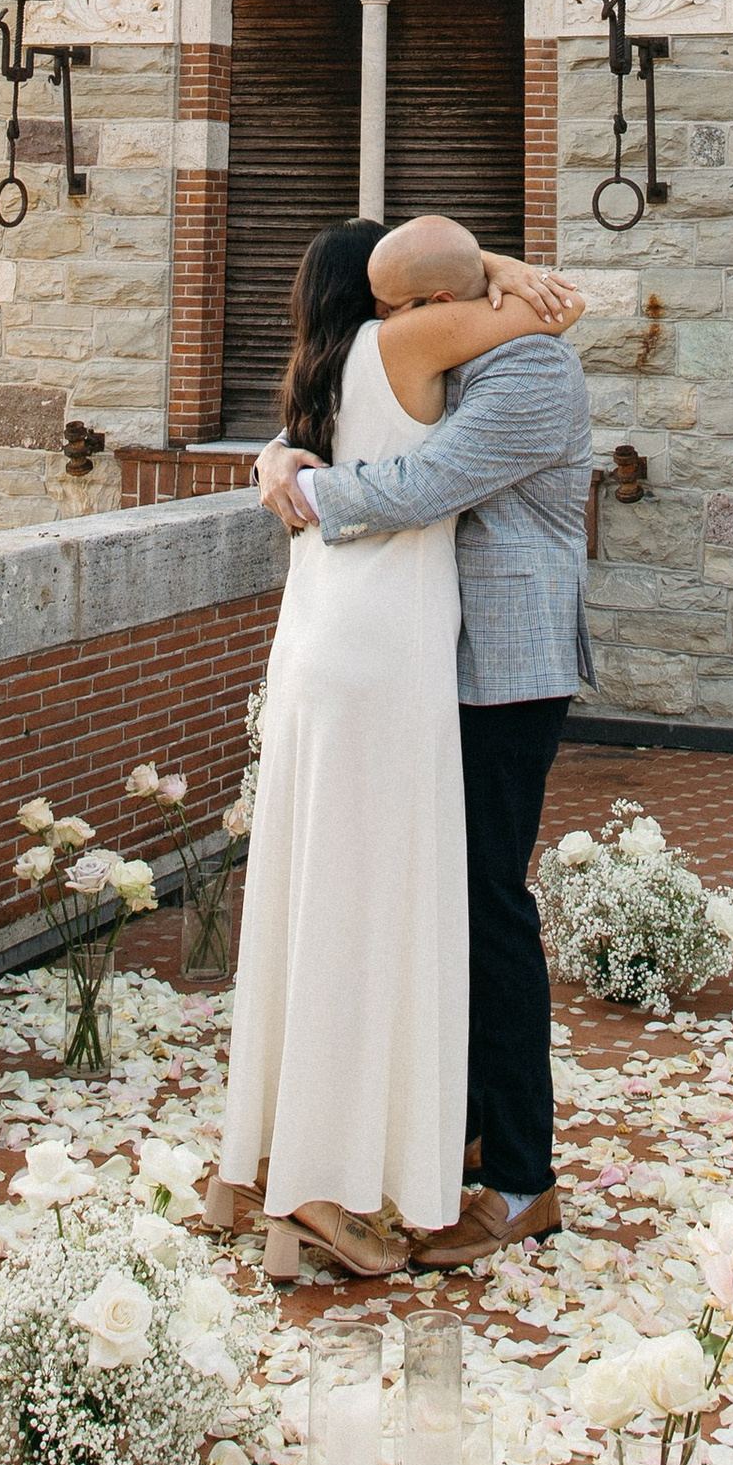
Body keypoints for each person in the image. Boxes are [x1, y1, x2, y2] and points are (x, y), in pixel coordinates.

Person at [216, 214, 584, 1284]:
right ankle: (455, 1136)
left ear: (434, 304)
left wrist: (302, 485)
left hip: (503, 670)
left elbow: (425, 484)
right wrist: (275, 454)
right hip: (429, 666)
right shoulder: (460, 345)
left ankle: (521, 1180)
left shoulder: (532, 373)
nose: (389, 322)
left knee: (489, 905)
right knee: (447, 905)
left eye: (403, 306)